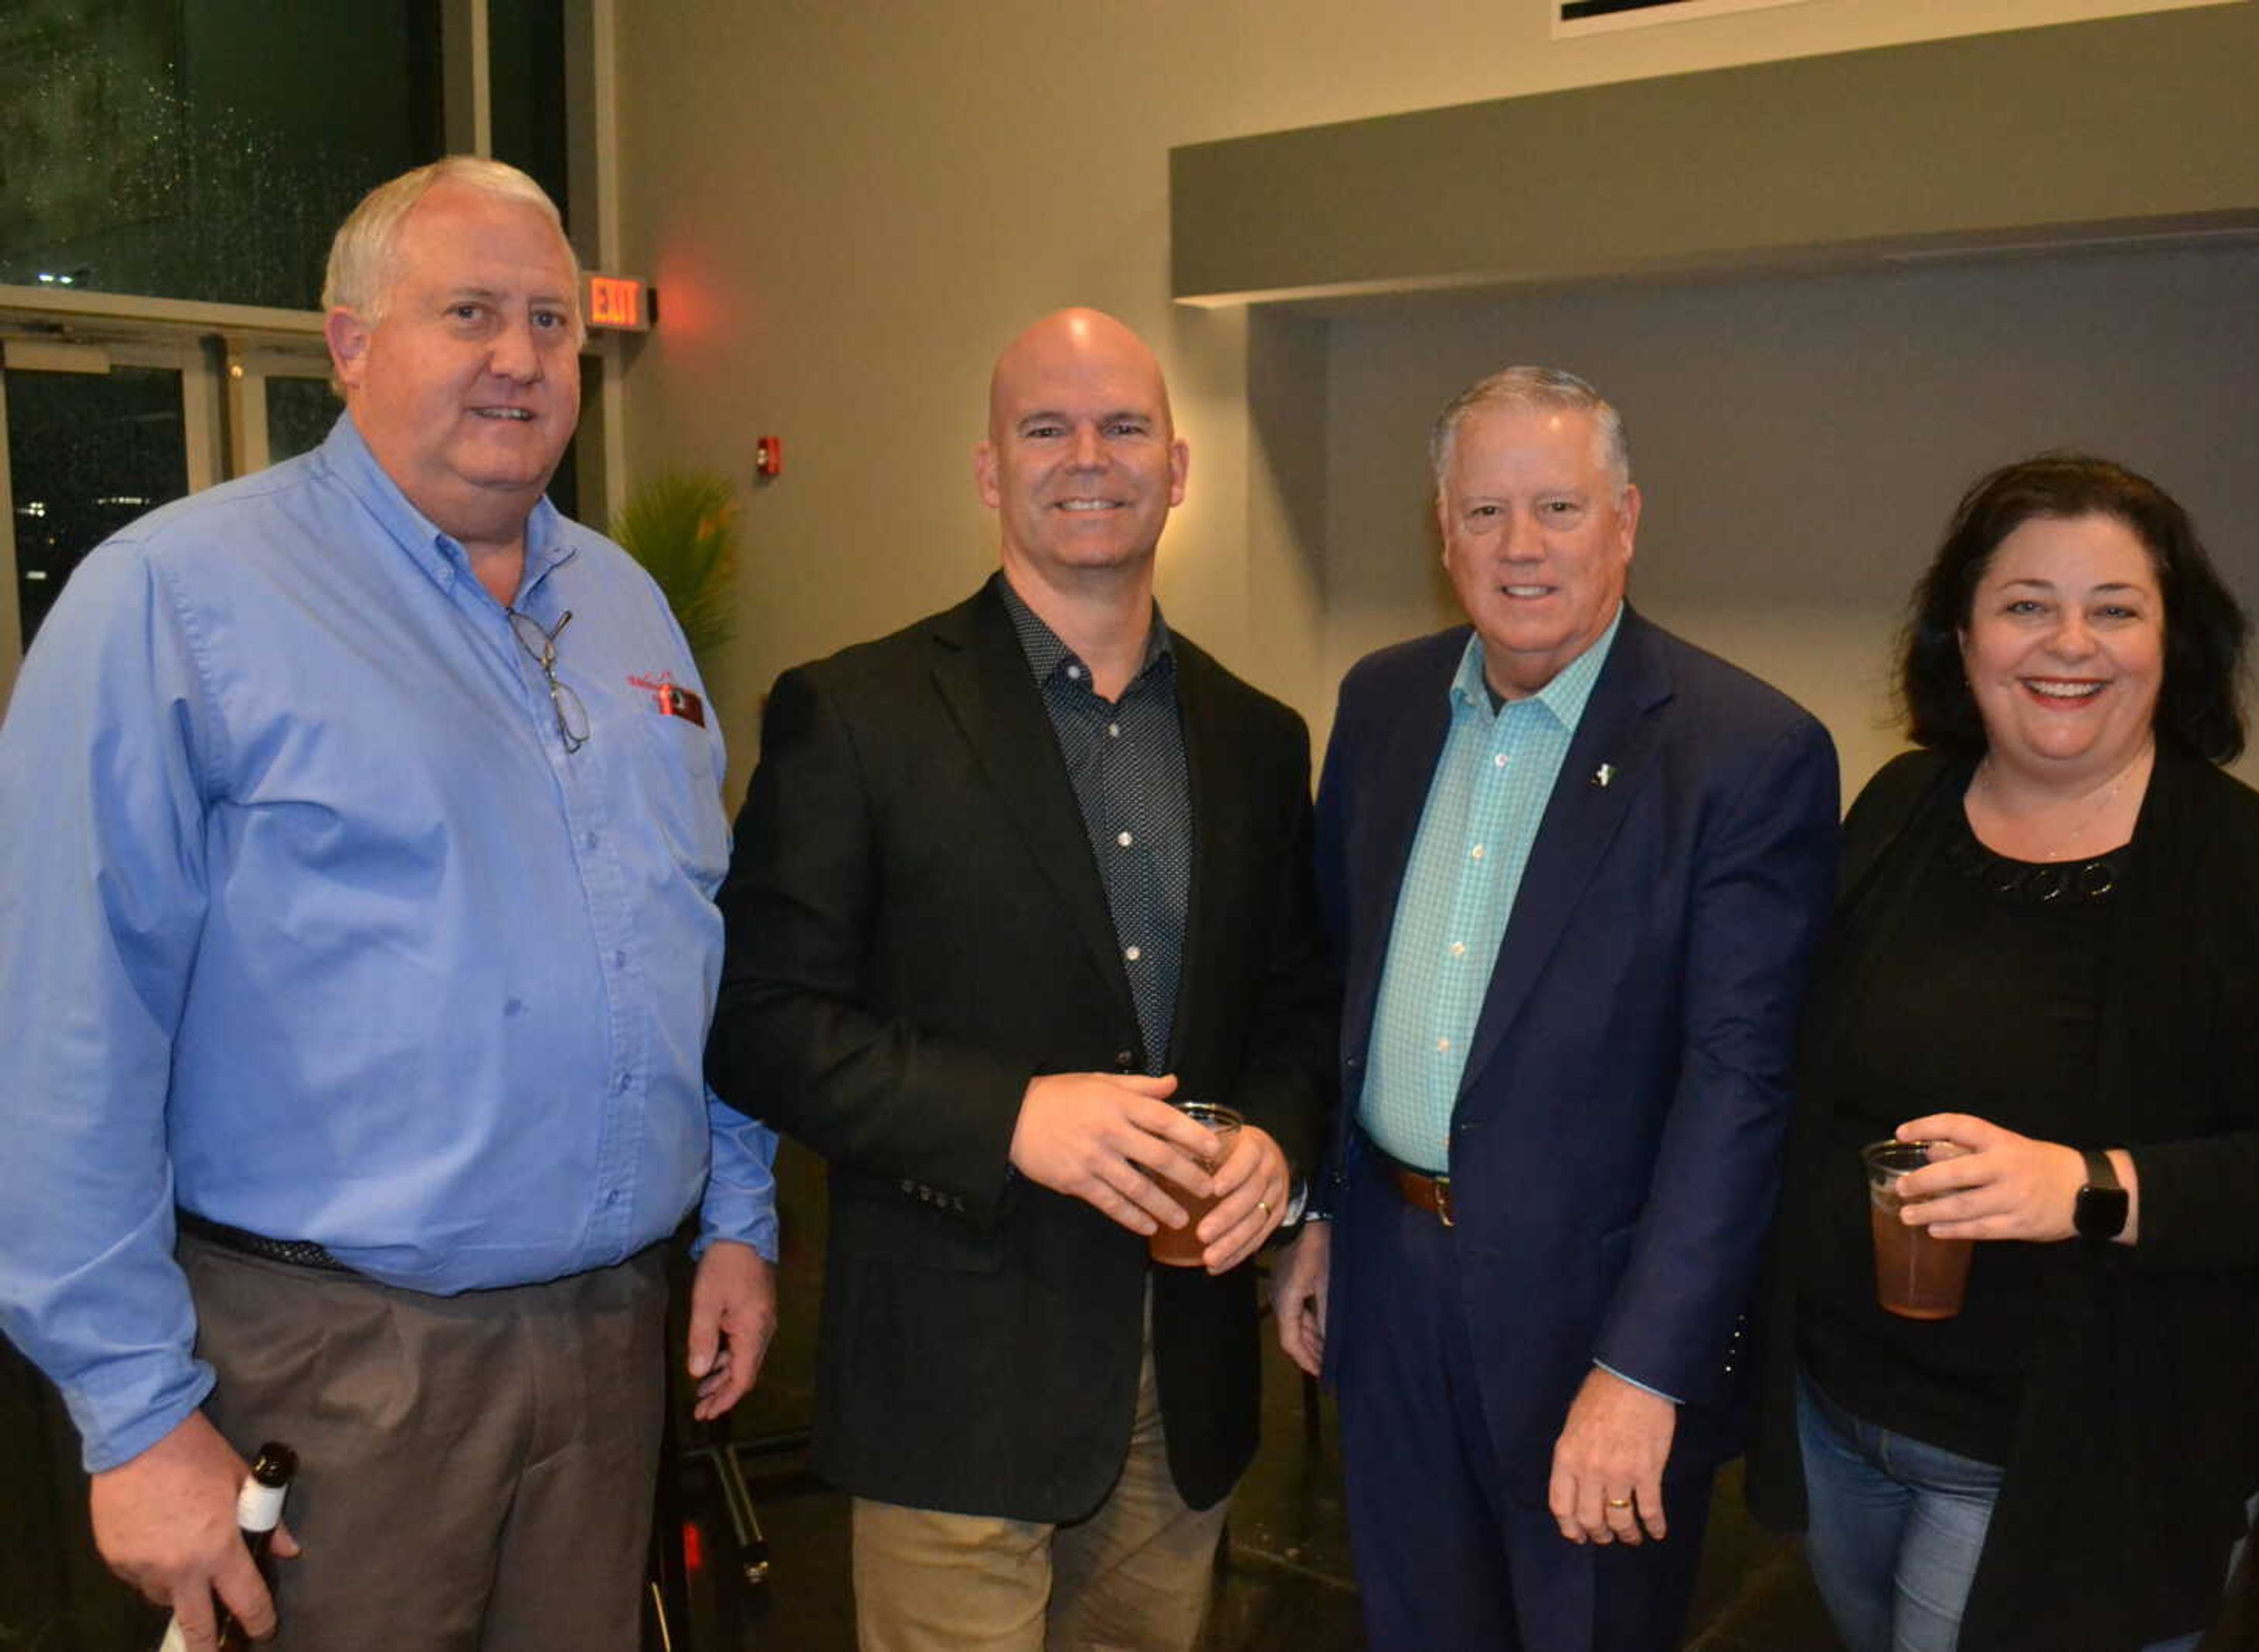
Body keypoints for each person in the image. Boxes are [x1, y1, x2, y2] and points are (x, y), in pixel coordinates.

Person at [0, 156, 779, 1651]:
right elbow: (62, 1037)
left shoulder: (624, 604)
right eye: (470, 311)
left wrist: (739, 1218)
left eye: (553, 320)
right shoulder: (174, 599)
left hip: (610, 1352)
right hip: (326, 1372)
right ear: (349, 343)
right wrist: (134, 1416)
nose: (521, 358)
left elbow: (700, 939)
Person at [705, 307, 1334, 1651]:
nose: (1086, 457)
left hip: (1186, 1374)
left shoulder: (1260, 737)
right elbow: (761, 1027)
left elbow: (1294, 1006)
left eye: (1123, 428)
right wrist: (1011, 1118)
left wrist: (1280, 1137)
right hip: (959, 1379)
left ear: (1179, 469)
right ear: (991, 472)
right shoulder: (855, 713)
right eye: (1046, 428)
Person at [1745, 453, 2259, 1651]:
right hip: (1841, 1416)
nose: (2071, 643)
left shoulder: (2248, 877)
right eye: (2026, 605)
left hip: (2078, 1452)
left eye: (2115, 608)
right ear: (1961, 637)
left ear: (2173, 644)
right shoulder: (1900, 809)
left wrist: (2091, 1186)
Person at [1272, 365, 1840, 1650]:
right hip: (1392, 1285)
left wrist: (1645, 1372)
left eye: (1558, 509)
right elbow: (1339, 985)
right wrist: (1321, 1214)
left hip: (1596, 1322)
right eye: (1483, 513)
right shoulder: (1382, 704)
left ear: (1627, 522)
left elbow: (1739, 1091)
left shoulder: (1745, 754)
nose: (1519, 547)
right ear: (1443, 532)